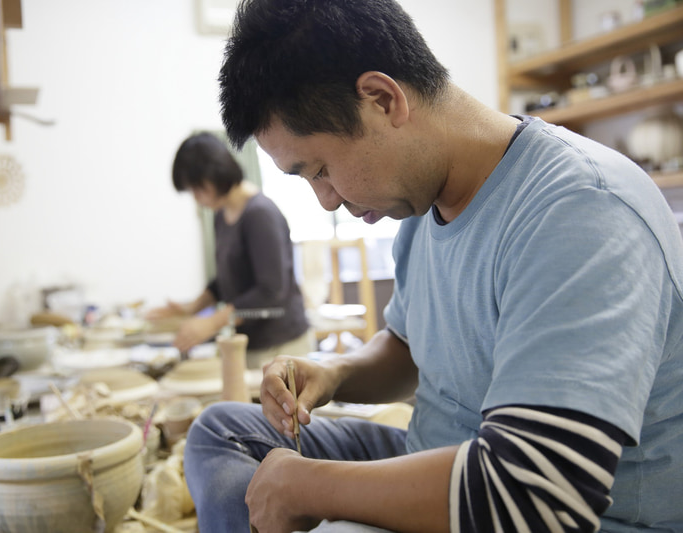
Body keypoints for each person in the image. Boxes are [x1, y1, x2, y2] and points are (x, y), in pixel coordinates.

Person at [182, 0, 683, 532]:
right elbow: (407, 346)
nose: (326, 201)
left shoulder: (580, 209)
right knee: (223, 432)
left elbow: (536, 493)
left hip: (546, 503)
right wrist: (335, 374)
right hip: (442, 457)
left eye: (322, 169)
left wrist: (310, 487)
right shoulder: (422, 201)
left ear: (381, 99)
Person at [148, 132, 312, 368]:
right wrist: (192, 307)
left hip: (279, 344)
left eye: (197, 189)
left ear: (214, 174)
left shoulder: (259, 214)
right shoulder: (222, 215)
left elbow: (270, 291)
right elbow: (227, 278)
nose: (197, 199)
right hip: (249, 344)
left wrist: (213, 322)